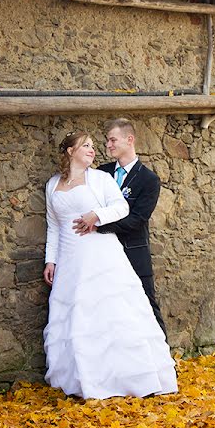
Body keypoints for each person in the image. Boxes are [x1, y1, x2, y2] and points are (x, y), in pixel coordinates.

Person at [42, 130, 177, 399]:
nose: (94, 150)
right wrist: (51, 259)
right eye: (86, 145)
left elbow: (121, 208)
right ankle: (82, 379)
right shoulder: (53, 184)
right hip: (69, 259)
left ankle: (126, 377)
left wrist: (96, 215)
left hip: (99, 253)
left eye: (95, 145)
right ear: (70, 152)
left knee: (113, 313)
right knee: (76, 318)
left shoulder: (101, 179)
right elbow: (53, 226)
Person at [73, 118, 166, 334]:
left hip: (132, 251)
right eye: (107, 141)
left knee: (147, 307)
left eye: (113, 140)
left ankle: (164, 365)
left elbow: (137, 219)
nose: (108, 145)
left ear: (129, 139)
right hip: (101, 253)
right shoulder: (100, 173)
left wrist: (98, 226)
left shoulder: (149, 180)